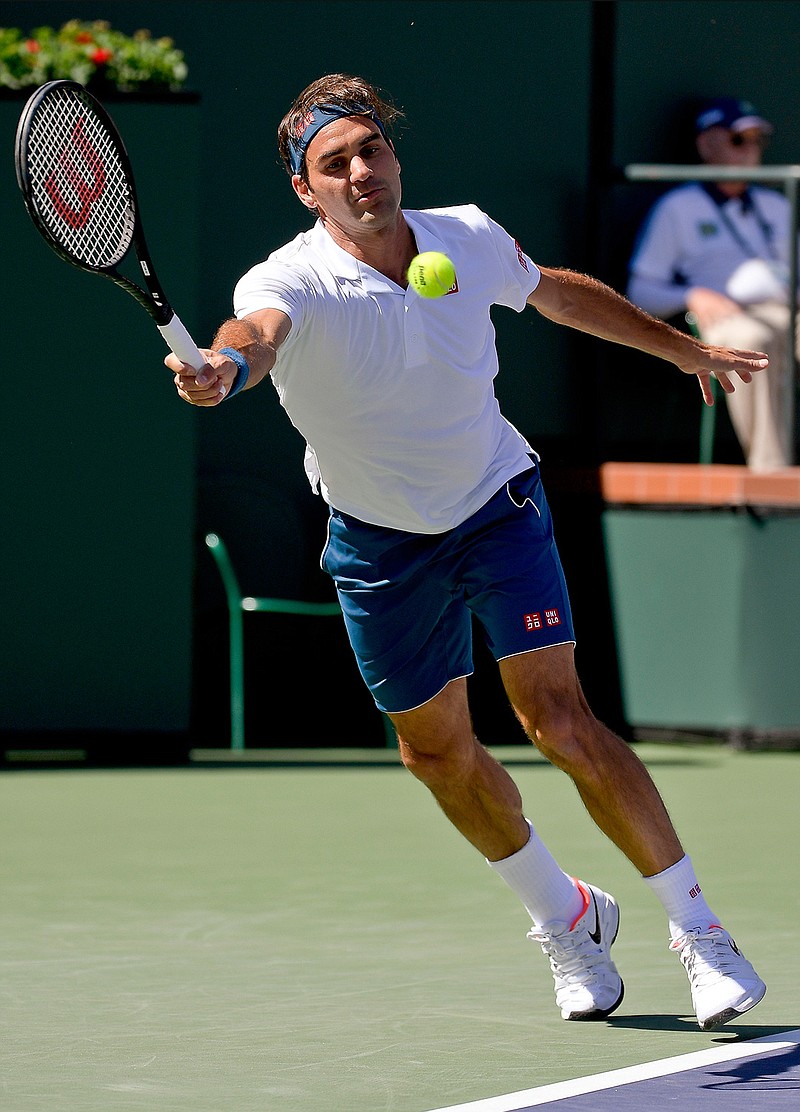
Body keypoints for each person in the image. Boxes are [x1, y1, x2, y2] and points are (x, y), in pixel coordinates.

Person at [167, 74, 768, 1030]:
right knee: (435, 752)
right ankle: (567, 918)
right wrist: (227, 366)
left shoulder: (468, 236)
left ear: (394, 156)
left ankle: (700, 932)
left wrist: (680, 349)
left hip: (496, 503)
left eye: (373, 149)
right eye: (336, 163)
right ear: (305, 188)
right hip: (376, 539)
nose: (363, 171)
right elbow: (258, 335)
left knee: (558, 719)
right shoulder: (283, 281)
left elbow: (557, 295)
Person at [627, 95, 797, 471]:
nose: (751, 151)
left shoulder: (777, 205)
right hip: (725, 317)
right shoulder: (678, 207)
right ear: (707, 145)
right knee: (752, 345)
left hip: (787, 309)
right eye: (739, 140)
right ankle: (774, 475)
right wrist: (692, 295)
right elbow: (641, 290)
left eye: (757, 141)